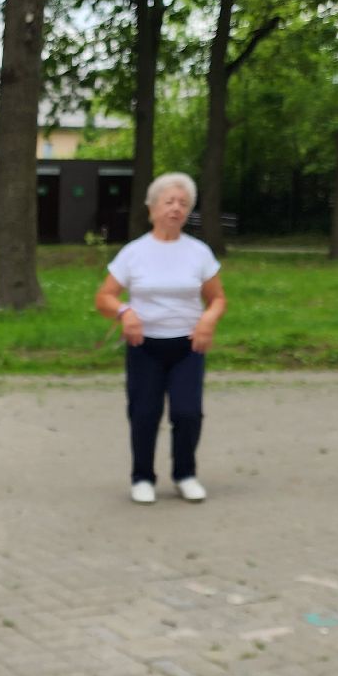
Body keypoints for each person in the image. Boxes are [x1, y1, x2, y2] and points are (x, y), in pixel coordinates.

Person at [94, 172, 226, 504]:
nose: (175, 208)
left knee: (187, 412)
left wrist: (208, 320)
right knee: (143, 412)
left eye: (183, 203)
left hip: (187, 346)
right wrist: (125, 312)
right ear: (152, 208)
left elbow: (218, 298)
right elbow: (104, 297)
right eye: (169, 202)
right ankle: (142, 477)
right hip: (144, 347)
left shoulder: (199, 252)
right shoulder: (133, 252)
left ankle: (185, 474)